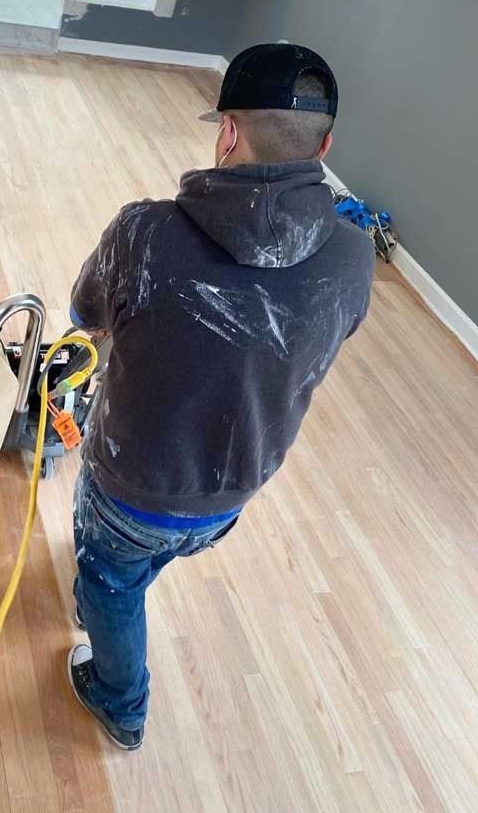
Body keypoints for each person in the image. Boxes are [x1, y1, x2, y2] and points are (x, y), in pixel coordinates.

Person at [66, 44, 375, 749]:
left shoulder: (145, 233)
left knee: (113, 584)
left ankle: (121, 701)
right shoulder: (355, 258)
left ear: (227, 133)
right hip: (231, 497)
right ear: (324, 145)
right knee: (153, 557)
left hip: (129, 491)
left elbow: (86, 313)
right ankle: (115, 594)